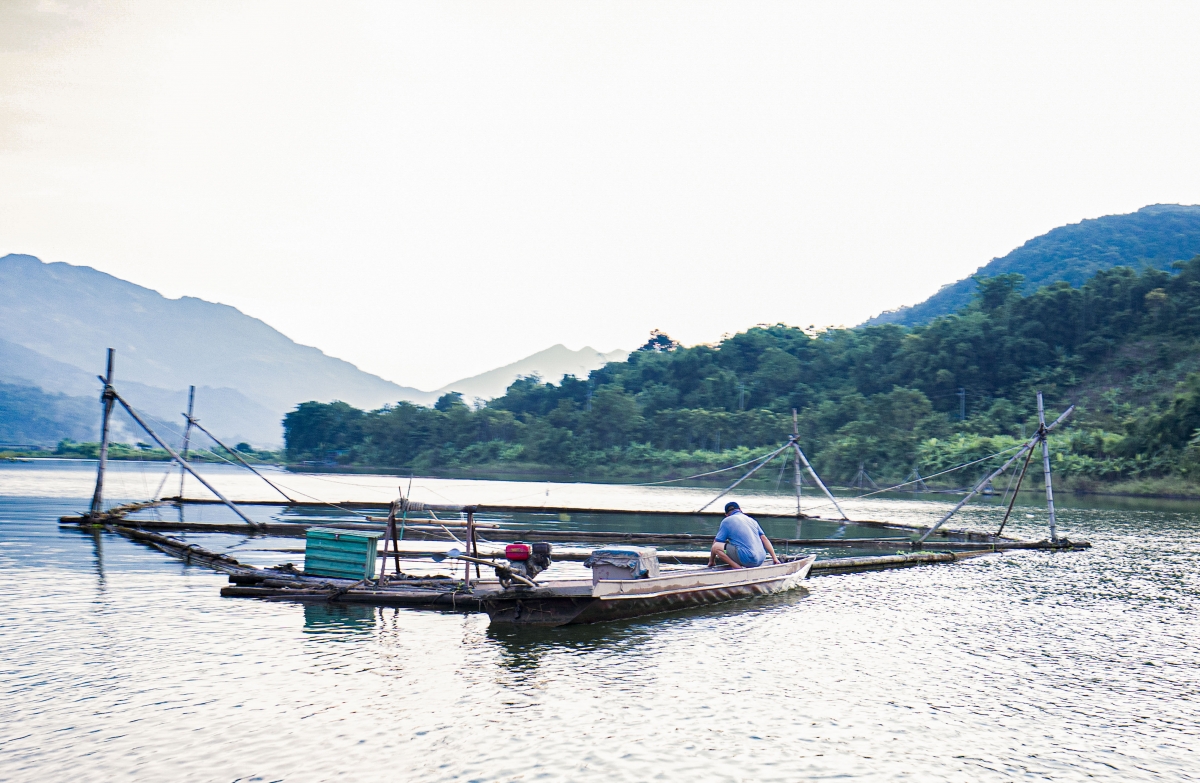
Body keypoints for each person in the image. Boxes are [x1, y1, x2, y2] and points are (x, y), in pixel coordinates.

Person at [708, 501, 780, 569]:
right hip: (761, 559)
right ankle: (739, 563)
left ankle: (737, 568)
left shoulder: (726, 521)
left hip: (747, 558)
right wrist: (775, 558)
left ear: (726, 515)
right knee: (728, 548)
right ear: (740, 510)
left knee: (716, 547)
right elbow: (764, 539)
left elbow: (716, 543)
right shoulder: (752, 520)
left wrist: (711, 561)